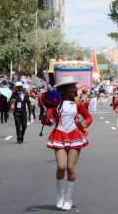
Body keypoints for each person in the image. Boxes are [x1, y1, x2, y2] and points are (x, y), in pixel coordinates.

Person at [42, 76, 93, 211]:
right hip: (59, 135)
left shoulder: (77, 102)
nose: (74, 89)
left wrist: (84, 123)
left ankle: (68, 199)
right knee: (61, 166)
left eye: (74, 87)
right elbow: (48, 120)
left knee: (70, 168)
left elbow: (88, 117)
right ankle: (60, 195)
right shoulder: (54, 103)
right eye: (71, 87)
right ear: (64, 89)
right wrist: (45, 120)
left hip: (75, 135)